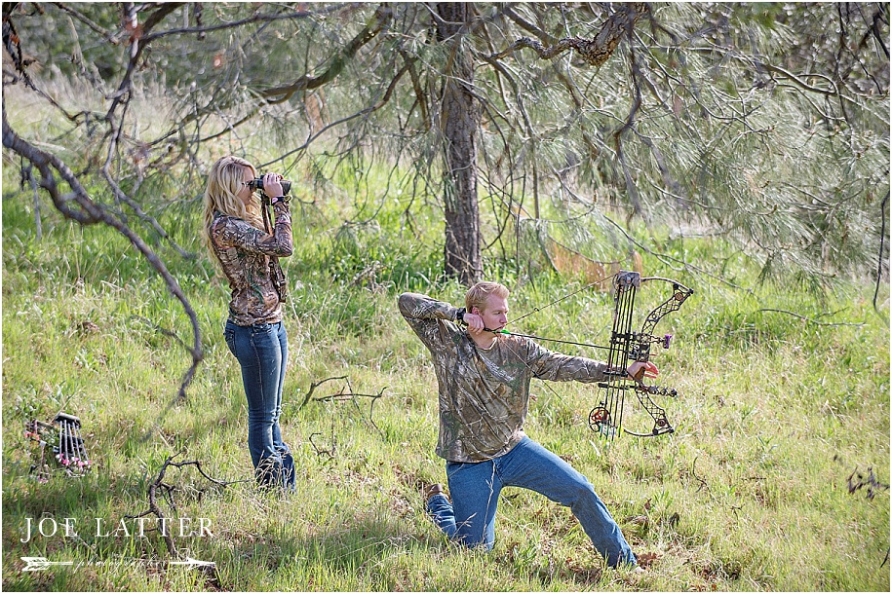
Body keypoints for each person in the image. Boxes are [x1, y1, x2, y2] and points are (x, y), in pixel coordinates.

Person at [398, 282, 657, 569]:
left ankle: (624, 563)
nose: (505, 320)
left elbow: (563, 364)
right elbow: (406, 302)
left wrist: (623, 371)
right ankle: (438, 507)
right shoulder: (447, 342)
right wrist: (457, 314)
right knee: (473, 551)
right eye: (497, 313)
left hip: (514, 450)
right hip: (468, 462)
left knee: (581, 489)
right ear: (476, 313)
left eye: (506, 312)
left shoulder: (518, 347)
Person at [203, 156, 295, 491]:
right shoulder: (225, 226)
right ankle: (273, 490)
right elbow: (283, 247)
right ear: (229, 187)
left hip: (271, 324)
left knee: (273, 414)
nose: (254, 189)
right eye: (249, 183)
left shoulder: (244, 219)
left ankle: (285, 490)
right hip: (254, 330)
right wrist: (279, 202)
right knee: (262, 417)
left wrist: (271, 202)